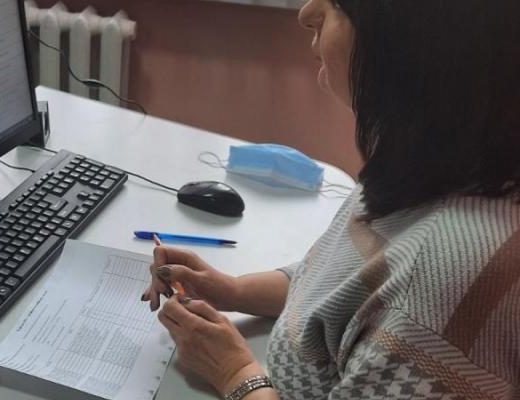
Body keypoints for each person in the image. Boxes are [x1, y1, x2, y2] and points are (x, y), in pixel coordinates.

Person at [143, 0, 520, 399]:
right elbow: (341, 288)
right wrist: (232, 291)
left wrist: (233, 371)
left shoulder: (433, 293)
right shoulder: (435, 165)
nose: (306, 13)